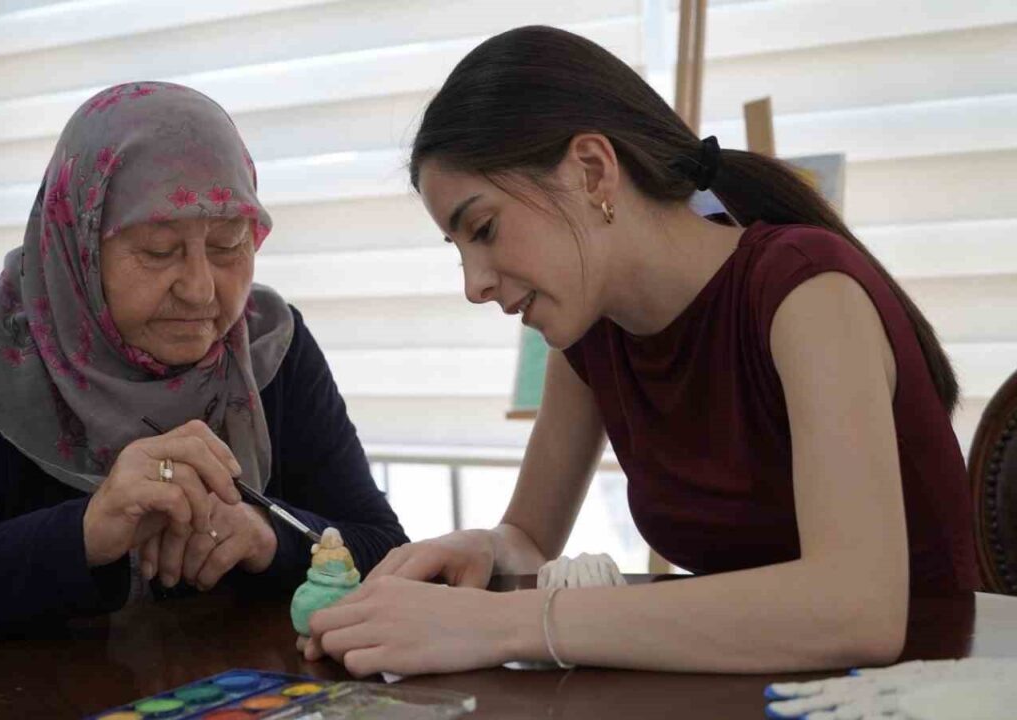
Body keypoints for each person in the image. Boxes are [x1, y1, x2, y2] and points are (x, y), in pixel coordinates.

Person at [304, 26, 978, 676]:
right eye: (459, 251)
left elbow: (856, 608)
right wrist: (477, 550)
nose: (474, 284)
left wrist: (509, 626)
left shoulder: (805, 290)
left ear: (593, 170)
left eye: (483, 228)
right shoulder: (592, 334)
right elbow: (531, 543)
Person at [0, 82, 406, 648]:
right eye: (158, 250)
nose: (202, 289)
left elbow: (386, 548)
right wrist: (86, 532)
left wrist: (268, 539)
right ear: (77, 242)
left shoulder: (266, 344)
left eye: (230, 244)